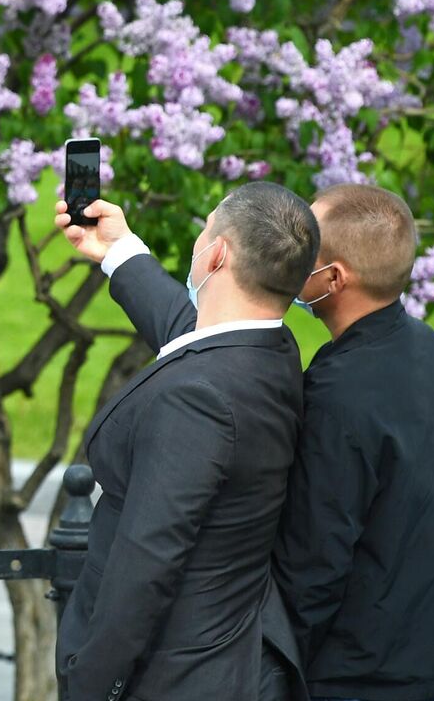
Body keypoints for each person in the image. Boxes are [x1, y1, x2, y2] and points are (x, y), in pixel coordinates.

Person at [54, 183, 314, 701]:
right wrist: (118, 250)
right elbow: (193, 331)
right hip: (227, 659)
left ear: (216, 254)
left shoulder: (198, 401)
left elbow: (146, 565)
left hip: (171, 679)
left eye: (204, 231)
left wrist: (91, 684)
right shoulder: (270, 348)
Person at [274, 184, 434, 701]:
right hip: (423, 650)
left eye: (303, 251)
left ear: (334, 278)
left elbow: (315, 562)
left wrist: (273, 669)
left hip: (352, 672)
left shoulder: (340, 392)